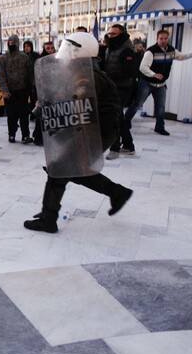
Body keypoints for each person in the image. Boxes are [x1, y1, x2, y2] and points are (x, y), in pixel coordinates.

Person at [23, 32, 133, 233]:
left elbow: (77, 101)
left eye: (68, 48)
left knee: (61, 168)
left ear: (79, 51)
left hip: (95, 132)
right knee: (70, 169)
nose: (63, 53)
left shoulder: (87, 76)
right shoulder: (82, 72)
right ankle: (117, 192)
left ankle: (49, 217)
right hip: (91, 130)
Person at [125, 29, 192, 136]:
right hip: (147, 82)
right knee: (137, 103)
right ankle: (125, 122)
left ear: (168, 39)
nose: (163, 41)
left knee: (160, 107)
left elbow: (182, 56)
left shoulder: (171, 51)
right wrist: (153, 74)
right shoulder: (151, 51)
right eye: (161, 38)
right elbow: (143, 67)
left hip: (161, 84)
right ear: (157, 39)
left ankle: (159, 127)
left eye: (165, 38)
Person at [103, 24, 136, 160]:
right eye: (109, 33)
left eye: (114, 34)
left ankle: (115, 148)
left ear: (121, 34)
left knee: (114, 118)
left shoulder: (127, 50)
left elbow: (129, 72)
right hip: (112, 86)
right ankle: (128, 145)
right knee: (119, 118)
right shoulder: (111, 47)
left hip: (122, 87)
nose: (110, 36)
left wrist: (109, 75)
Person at [0, 34, 34, 144]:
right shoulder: (3, 58)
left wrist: (29, 88)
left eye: (13, 42)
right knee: (11, 115)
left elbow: (30, 74)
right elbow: (1, 75)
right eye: (9, 42)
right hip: (9, 91)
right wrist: (4, 90)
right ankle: (11, 134)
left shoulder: (25, 57)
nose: (11, 44)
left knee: (24, 114)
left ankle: (25, 135)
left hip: (22, 90)